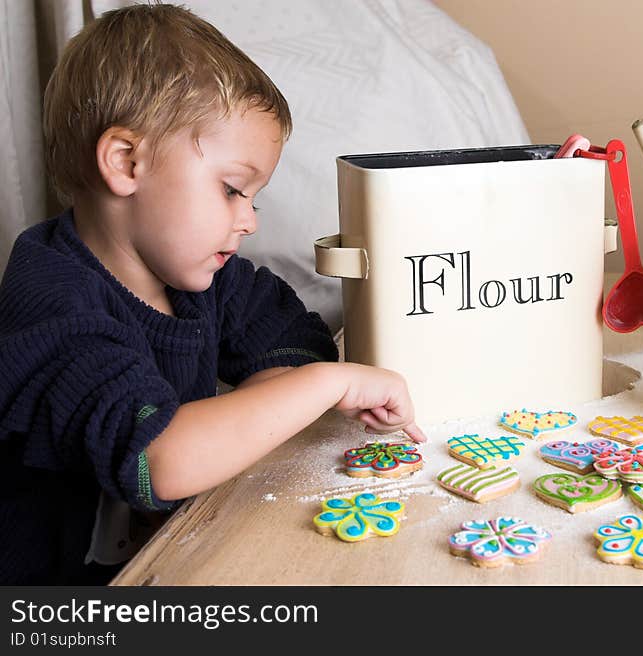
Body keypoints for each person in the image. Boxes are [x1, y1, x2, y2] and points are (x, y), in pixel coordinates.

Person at [0, 2, 425, 585]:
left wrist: (267, 402)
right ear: (126, 162)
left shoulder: (205, 276)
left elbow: (293, 339)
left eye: (254, 198)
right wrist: (328, 385)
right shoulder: (51, 302)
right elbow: (160, 461)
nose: (249, 220)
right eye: (231, 189)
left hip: (170, 557)